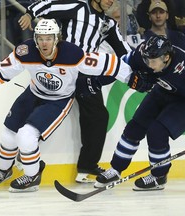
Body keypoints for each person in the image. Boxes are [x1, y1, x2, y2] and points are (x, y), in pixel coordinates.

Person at [0, 18, 134, 192]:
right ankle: (3, 170)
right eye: (41, 38)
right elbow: (1, 70)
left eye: (49, 38)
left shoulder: (72, 55)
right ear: (35, 39)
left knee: (26, 136)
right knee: (8, 134)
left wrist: (132, 77)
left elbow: (109, 63)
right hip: (33, 94)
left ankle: (32, 176)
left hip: (58, 100)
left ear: (57, 38)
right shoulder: (26, 51)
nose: (44, 43)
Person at [94, 35, 185, 190]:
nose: (147, 64)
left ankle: (159, 176)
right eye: (146, 60)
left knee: (157, 132)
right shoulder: (144, 55)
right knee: (134, 127)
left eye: (152, 61)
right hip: (163, 91)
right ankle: (116, 169)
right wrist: (97, 81)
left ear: (166, 57)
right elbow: (119, 66)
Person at [18, 0, 132, 183]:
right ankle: (24, 151)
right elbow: (49, 5)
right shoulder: (78, 7)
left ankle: (86, 166)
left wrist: (142, 64)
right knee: (44, 107)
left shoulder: (108, 24)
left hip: (84, 75)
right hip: (61, 69)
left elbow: (124, 51)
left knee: (98, 116)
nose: (110, 1)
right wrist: (29, 13)